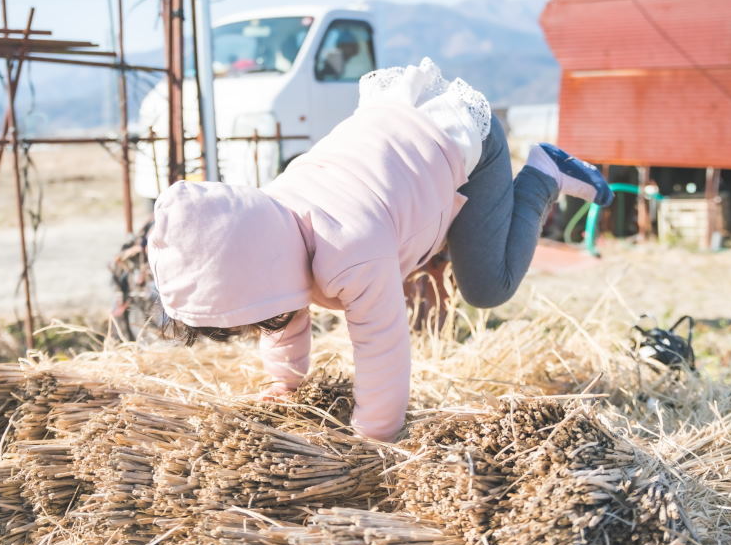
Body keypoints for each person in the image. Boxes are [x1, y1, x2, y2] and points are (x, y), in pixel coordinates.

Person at [147, 58, 612, 442]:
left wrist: (373, 439)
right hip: (396, 142)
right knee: (419, 243)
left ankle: (542, 176)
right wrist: (283, 384)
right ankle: (451, 220)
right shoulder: (266, 226)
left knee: (488, 287)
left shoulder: (351, 250)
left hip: (463, 138)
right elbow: (277, 309)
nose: (259, 328)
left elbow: (382, 349)